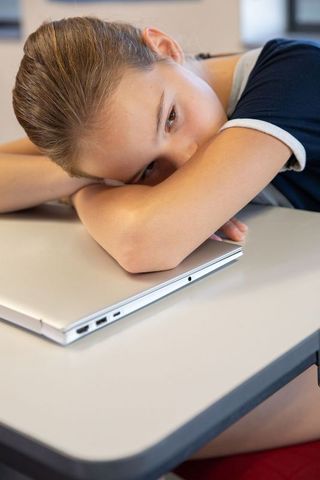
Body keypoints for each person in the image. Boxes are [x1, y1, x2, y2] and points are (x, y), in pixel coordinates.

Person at [1, 16, 320, 459]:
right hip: (277, 318)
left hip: (304, 347)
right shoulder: (129, 110)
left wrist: (94, 189)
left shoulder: (298, 76)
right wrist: (88, 178)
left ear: (166, 47)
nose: (186, 160)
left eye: (171, 118)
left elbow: (146, 241)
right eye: (147, 170)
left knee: (105, 433)